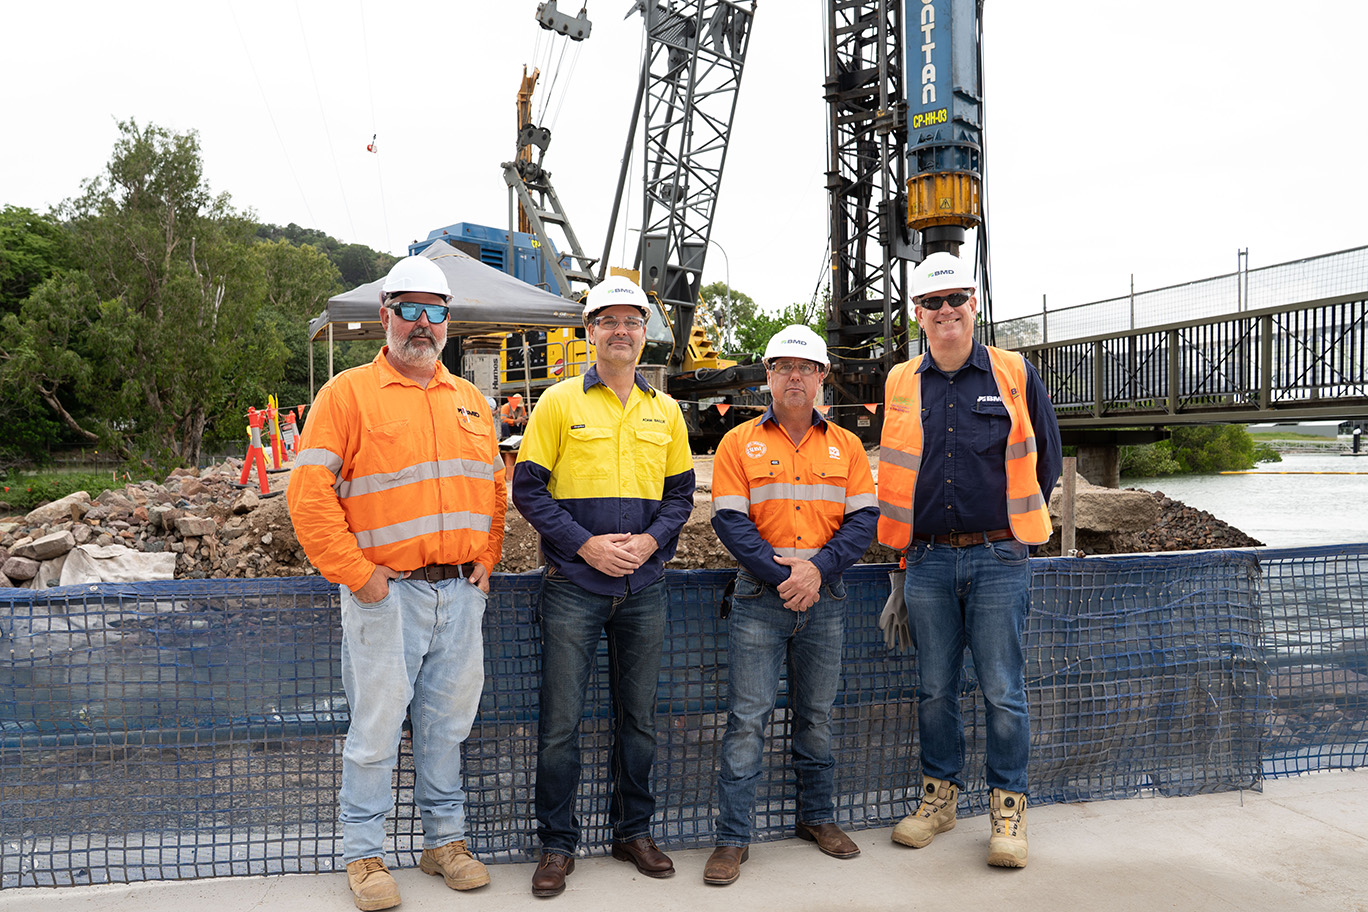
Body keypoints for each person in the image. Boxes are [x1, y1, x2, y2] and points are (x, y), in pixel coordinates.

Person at [288, 255, 506, 911]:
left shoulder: (471, 402)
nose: (421, 322)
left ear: (448, 321)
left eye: (433, 310)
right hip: (388, 597)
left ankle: (444, 844)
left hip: (459, 596)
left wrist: (487, 559)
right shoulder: (347, 395)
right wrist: (356, 574)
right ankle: (365, 854)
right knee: (377, 729)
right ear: (384, 316)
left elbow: (495, 489)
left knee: (447, 727)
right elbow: (308, 493)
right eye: (407, 308)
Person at [511, 274, 695, 897]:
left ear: (647, 334)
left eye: (632, 322)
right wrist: (585, 544)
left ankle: (632, 831)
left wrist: (647, 544)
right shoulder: (559, 403)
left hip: (644, 589)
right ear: (589, 333)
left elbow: (680, 497)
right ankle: (558, 845)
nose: (621, 331)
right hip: (573, 586)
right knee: (560, 722)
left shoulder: (664, 410)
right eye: (608, 321)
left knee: (638, 719)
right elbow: (528, 488)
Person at [876, 251, 1061, 869]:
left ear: (974, 305)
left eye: (956, 299)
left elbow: (1048, 459)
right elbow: (899, 470)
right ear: (918, 314)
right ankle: (940, 798)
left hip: (997, 560)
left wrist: (1010, 534)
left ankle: (1008, 809)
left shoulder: (1013, 373)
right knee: (934, 689)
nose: (946, 311)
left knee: (1004, 690)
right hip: (925, 560)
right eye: (933, 303)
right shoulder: (901, 381)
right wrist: (902, 563)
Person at [703, 325, 878, 886]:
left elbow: (863, 522)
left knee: (817, 717)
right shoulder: (738, 443)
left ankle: (818, 820)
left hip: (824, 597)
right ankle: (732, 839)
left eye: (806, 367)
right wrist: (785, 577)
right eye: (783, 367)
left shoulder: (847, 446)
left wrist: (816, 571)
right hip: (761, 598)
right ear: (769, 378)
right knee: (747, 719)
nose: (794, 376)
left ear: (823, 376)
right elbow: (730, 520)